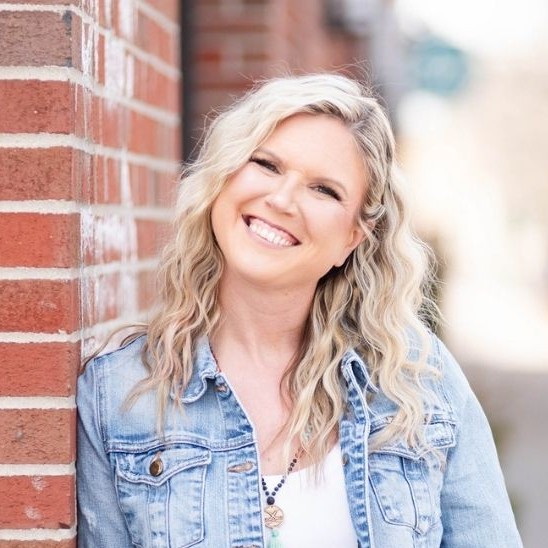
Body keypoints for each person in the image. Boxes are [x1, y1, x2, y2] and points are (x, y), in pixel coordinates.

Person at [77, 73, 522, 548]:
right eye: (267, 164)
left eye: (324, 190)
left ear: (353, 237)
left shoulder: (418, 380)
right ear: (223, 177)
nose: (282, 199)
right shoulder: (120, 393)